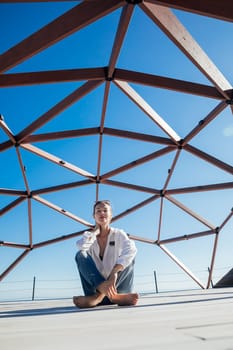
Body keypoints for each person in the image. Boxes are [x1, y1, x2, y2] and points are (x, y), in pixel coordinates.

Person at [73, 200, 139, 308]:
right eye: (98, 211)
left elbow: (131, 249)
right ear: (94, 216)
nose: (102, 213)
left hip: (117, 288)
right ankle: (102, 294)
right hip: (95, 289)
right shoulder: (89, 236)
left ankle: (100, 298)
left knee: (130, 256)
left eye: (105, 210)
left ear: (111, 215)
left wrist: (115, 271)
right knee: (80, 255)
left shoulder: (118, 233)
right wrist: (95, 233)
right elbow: (81, 246)